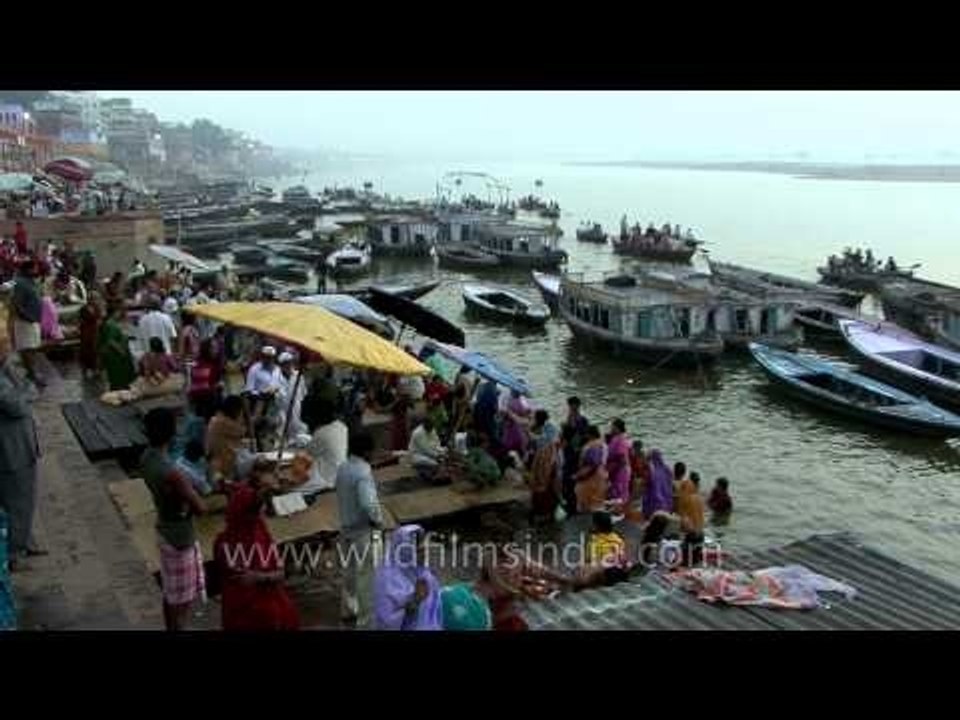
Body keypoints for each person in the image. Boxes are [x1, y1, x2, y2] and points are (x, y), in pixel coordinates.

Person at [141, 407, 207, 631]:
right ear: (171, 433)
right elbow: (201, 508)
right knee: (183, 603)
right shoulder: (172, 472)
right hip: (180, 536)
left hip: (164, 527)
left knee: (171, 594)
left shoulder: (146, 458)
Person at [214, 481, 300, 631]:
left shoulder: (259, 533)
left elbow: (280, 572)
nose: (262, 515)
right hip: (249, 612)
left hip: (260, 610)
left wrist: (258, 577)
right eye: (260, 511)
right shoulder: (227, 542)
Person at [336, 431, 385, 627]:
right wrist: (378, 520)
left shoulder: (343, 468)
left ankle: (348, 611)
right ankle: (365, 623)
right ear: (366, 451)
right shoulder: (363, 471)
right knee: (367, 582)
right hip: (363, 533)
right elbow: (368, 504)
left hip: (346, 528)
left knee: (349, 575)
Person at [0, 342, 41, 571]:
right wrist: (26, 390)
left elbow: (30, 390)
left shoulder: (6, 371)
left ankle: (24, 540)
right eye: (4, 348)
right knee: (17, 501)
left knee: (25, 498)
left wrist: (25, 389)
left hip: (21, 445)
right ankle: (15, 553)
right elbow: (18, 405)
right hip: (11, 450)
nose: (8, 351)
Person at [373, 524, 442, 631]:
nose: (425, 554)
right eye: (419, 551)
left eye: (425, 549)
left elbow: (435, 614)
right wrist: (415, 601)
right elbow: (384, 623)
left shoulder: (424, 573)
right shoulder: (385, 580)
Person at [297, 399, 348, 497]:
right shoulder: (342, 426)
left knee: (293, 489)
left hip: (328, 479)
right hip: (339, 474)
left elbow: (306, 455)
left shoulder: (322, 433)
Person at [8, 261, 43, 384]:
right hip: (25, 321)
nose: (37, 271)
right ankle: (32, 375)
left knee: (33, 348)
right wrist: (26, 317)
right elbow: (16, 304)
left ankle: (31, 373)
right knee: (27, 349)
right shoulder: (20, 283)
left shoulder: (30, 282)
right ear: (28, 270)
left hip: (33, 320)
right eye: (35, 268)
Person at [205, 395, 247, 485]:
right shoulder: (223, 422)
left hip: (216, 463)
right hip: (223, 464)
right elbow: (242, 431)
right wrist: (242, 415)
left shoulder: (215, 419)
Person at [528, 413, 561, 523]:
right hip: (550, 470)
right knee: (549, 491)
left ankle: (543, 513)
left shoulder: (545, 445)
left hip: (546, 471)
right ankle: (548, 513)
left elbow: (544, 464)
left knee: (544, 491)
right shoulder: (551, 437)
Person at [97, 303, 136, 391]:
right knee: (118, 377)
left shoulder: (111, 323)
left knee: (118, 377)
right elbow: (110, 341)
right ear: (115, 312)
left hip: (115, 354)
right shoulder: (110, 324)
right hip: (115, 356)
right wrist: (121, 350)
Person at [587, 511, 629, 584]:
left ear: (596, 526)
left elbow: (589, 560)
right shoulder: (618, 538)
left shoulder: (594, 541)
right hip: (619, 570)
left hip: (606, 574)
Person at [574, 425, 608, 513]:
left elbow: (591, 465)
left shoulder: (588, 447)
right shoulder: (604, 444)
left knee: (586, 503)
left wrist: (579, 476)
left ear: (590, 435)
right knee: (598, 501)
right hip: (601, 475)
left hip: (589, 478)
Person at [187, 339, 221, 420]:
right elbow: (211, 386)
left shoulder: (196, 363)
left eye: (217, 347)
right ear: (207, 349)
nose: (217, 350)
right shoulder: (211, 366)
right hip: (208, 400)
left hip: (196, 401)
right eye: (214, 348)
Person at [605, 418, 632, 507]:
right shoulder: (619, 438)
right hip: (618, 470)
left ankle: (619, 513)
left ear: (617, 428)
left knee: (619, 493)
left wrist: (611, 468)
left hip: (620, 471)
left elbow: (622, 459)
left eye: (612, 427)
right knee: (618, 493)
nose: (611, 428)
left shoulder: (620, 439)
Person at [643, 449, 675, 520]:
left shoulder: (652, 472)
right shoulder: (667, 469)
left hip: (655, 504)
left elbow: (648, 486)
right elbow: (671, 484)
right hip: (667, 503)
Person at [78, 293, 102, 380]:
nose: (93, 301)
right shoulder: (83, 309)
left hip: (94, 332)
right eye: (92, 299)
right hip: (86, 332)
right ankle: (84, 370)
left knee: (95, 351)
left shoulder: (97, 308)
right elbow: (80, 320)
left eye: (94, 299)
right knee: (85, 351)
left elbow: (99, 319)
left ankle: (96, 370)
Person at [500, 389, 531, 456]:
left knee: (508, 446)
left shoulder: (512, 402)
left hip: (512, 430)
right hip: (516, 431)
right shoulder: (520, 402)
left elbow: (504, 414)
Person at [472, 378, 499, 444]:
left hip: (478, 412)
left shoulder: (482, 386)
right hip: (487, 416)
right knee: (492, 431)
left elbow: (477, 398)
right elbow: (495, 408)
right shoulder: (493, 390)